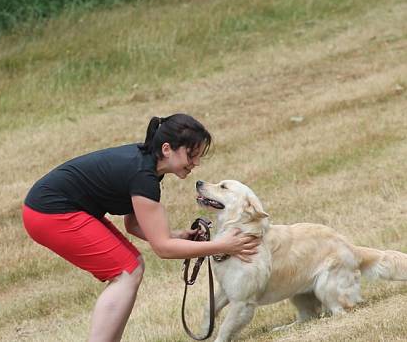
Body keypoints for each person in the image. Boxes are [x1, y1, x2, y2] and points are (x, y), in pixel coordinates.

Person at [22, 113, 261, 341]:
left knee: (131, 268)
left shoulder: (147, 165)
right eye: (191, 155)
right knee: (127, 272)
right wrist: (221, 245)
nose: (196, 163)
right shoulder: (144, 176)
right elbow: (164, 249)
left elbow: (133, 223)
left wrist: (177, 236)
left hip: (53, 208)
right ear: (167, 149)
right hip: (49, 212)